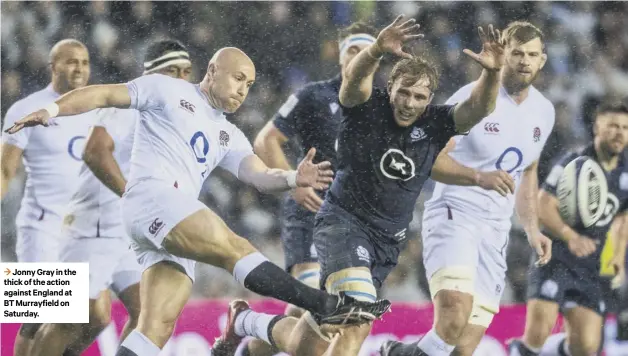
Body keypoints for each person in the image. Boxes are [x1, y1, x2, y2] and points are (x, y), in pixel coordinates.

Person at [4, 46, 391, 356]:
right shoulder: (146, 95)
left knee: (143, 321)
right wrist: (53, 110)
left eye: (84, 61)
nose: (243, 89)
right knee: (46, 315)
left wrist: (291, 177)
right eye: (71, 61)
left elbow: (258, 174)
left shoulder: (224, 130)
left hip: (137, 228)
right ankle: (323, 303)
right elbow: (92, 151)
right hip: (63, 225)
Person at [216, 15, 511, 356]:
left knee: (309, 341)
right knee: (357, 319)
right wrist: (375, 51)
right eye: (403, 93)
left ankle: (245, 323)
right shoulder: (366, 106)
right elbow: (352, 84)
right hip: (343, 225)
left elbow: (478, 108)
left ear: (429, 99)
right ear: (391, 89)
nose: (410, 103)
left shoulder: (436, 123)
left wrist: (491, 73)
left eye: (419, 97)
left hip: (385, 244)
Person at [381, 20, 555, 356]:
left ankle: (400, 353)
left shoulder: (544, 111)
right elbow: (431, 160)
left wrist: (533, 228)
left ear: (542, 60)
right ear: (503, 53)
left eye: (531, 54)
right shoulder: (470, 98)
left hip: (496, 231)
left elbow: (528, 171)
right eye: (516, 52)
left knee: (464, 347)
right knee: (454, 314)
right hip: (455, 215)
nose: (523, 61)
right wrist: (479, 177)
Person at [28, 39, 193, 356]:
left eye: (186, 72)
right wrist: (133, 195)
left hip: (123, 231)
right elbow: (95, 151)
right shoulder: (132, 103)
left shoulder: (172, 117)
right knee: (65, 318)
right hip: (92, 225)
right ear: (153, 74)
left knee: (143, 312)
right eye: (173, 71)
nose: (183, 80)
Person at [247, 21, 378, 356]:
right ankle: (246, 327)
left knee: (305, 318)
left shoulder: (384, 106)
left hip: (355, 224)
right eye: (352, 49)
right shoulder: (314, 95)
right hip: (312, 208)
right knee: (321, 310)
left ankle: (246, 336)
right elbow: (266, 140)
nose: (359, 57)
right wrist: (293, 184)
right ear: (340, 56)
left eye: (366, 51)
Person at [0, 39, 97, 356]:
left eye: (84, 61)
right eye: (71, 61)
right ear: (53, 66)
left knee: (89, 317)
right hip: (40, 227)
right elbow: (4, 171)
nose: (79, 68)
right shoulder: (25, 108)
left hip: (83, 232)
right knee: (38, 316)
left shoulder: (99, 108)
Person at [509, 101, 628, 356]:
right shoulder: (573, 162)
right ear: (597, 127)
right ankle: (524, 351)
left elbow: (622, 216)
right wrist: (570, 236)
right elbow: (543, 204)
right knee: (538, 332)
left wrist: (617, 256)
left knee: (586, 347)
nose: (620, 133)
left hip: (590, 265)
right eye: (613, 126)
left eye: (625, 128)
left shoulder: (625, 172)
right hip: (556, 257)